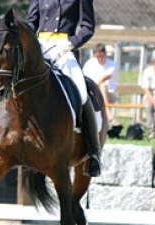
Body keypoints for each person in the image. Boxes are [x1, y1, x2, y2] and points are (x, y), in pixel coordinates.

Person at [26, 0, 100, 176]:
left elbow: (87, 27)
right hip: (40, 47)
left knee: (81, 92)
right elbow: (31, 23)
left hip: (64, 48)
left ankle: (93, 152)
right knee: (15, 82)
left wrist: (71, 43)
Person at [83, 43, 120, 127]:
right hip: (92, 92)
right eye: (97, 57)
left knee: (102, 86)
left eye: (101, 56)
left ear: (105, 54)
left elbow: (103, 79)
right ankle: (108, 117)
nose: (99, 59)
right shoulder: (89, 64)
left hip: (110, 94)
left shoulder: (112, 65)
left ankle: (109, 116)